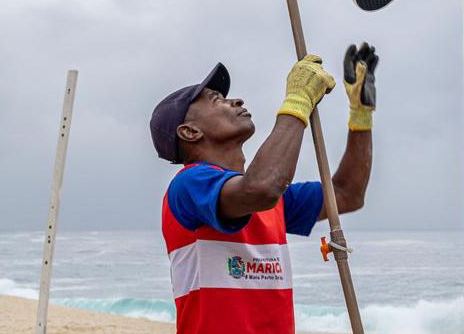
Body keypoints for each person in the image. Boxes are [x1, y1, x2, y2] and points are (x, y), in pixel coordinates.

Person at [149, 43, 379, 334]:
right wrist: (298, 101)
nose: (236, 101)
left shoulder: (268, 199)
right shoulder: (189, 185)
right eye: (216, 99)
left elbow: (347, 194)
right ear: (190, 132)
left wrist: (360, 116)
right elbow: (262, 187)